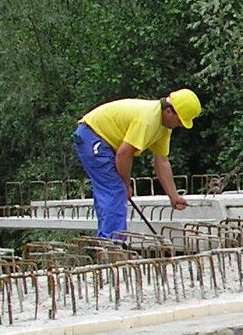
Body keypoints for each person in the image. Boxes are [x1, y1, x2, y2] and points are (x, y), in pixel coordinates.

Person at [74, 89, 201, 239]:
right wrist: (126, 185)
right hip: (92, 136)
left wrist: (173, 196)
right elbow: (123, 154)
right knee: (115, 190)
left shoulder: (164, 127)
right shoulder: (147, 120)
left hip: (101, 140)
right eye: (180, 120)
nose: (180, 125)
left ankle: (108, 244)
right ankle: (114, 248)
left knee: (111, 193)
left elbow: (162, 162)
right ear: (168, 111)